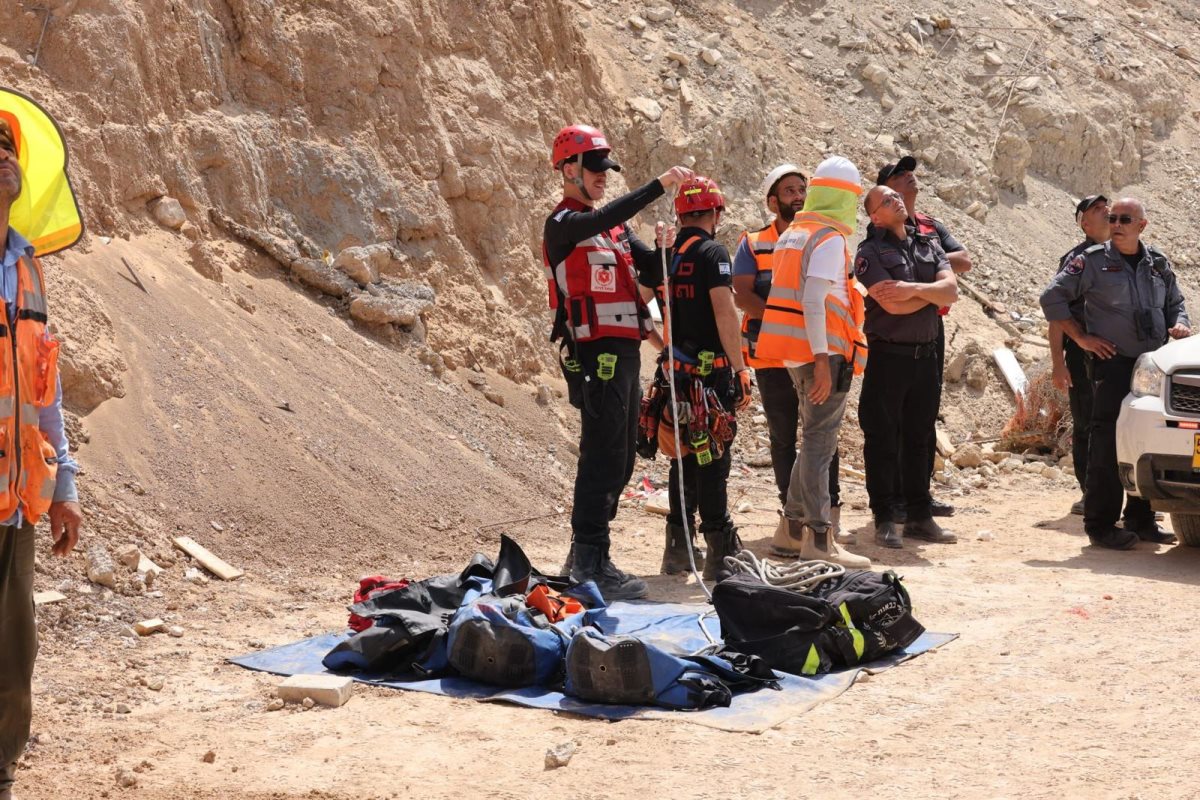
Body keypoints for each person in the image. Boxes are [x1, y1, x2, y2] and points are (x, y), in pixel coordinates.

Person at [541, 123, 693, 599]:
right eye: (595, 168)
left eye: (608, 169)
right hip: (595, 354)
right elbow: (602, 217)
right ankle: (590, 558)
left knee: (624, 457)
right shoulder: (563, 223)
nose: (604, 176)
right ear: (569, 170)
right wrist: (658, 187)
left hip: (626, 350)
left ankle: (587, 555)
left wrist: (668, 247)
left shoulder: (616, 230)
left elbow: (650, 268)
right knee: (602, 456)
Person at [0, 117, 83, 800]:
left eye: (7, 150)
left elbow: (45, 386)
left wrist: (66, 487)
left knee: (12, 652)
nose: (2, 160)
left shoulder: (27, 265)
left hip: (18, 496)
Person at [1040, 197, 1190, 550]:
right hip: (1115, 364)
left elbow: (1176, 303)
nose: (1117, 224)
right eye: (1112, 218)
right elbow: (1052, 298)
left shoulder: (1157, 262)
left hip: (1152, 367)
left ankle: (1141, 519)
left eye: (1125, 218)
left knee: (1144, 440)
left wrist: (1179, 325)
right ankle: (1101, 524)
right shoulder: (1091, 262)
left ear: (1142, 225)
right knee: (1106, 444)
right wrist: (1081, 338)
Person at [754, 156, 870, 568]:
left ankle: (789, 532)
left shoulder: (794, 234)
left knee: (811, 439)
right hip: (824, 353)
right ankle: (820, 539)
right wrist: (823, 360)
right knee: (821, 443)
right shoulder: (829, 238)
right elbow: (813, 301)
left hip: (793, 351)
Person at [640, 176, 753, 580]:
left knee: (683, 459)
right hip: (710, 378)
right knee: (714, 456)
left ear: (680, 214)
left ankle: (678, 547)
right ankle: (720, 549)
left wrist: (661, 346)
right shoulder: (712, 253)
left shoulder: (664, 254)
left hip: (674, 375)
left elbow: (639, 308)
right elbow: (724, 312)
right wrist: (741, 367)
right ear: (716, 213)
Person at [732, 165, 847, 544]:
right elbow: (743, 295)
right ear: (772, 201)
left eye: (802, 189)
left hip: (803, 347)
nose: (797, 195)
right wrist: (788, 316)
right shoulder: (754, 243)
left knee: (820, 439)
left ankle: (824, 515)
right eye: (789, 190)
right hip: (775, 353)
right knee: (789, 438)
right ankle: (796, 520)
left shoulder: (806, 236)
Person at [855, 185, 959, 549]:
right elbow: (893, 306)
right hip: (889, 357)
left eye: (895, 197)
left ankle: (919, 515)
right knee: (882, 438)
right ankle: (884, 516)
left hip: (925, 356)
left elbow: (951, 291)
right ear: (875, 216)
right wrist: (928, 294)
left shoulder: (928, 244)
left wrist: (911, 289)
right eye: (886, 200)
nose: (896, 200)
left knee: (920, 437)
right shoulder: (869, 253)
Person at [877, 156, 972, 520]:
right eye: (900, 175)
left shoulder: (931, 225)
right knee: (895, 415)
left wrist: (923, 270)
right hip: (896, 328)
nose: (909, 178)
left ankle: (920, 494)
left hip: (931, 324)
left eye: (910, 172)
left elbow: (963, 261)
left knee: (924, 412)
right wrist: (935, 275)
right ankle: (896, 495)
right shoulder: (883, 228)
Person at [1049, 195, 1110, 516]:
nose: (1107, 211)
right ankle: (1090, 493)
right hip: (1084, 355)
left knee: (1124, 422)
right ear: (1084, 223)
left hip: (1123, 353)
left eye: (1107, 206)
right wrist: (1059, 364)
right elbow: (1056, 310)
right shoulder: (1076, 260)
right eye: (1097, 209)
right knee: (1087, 424)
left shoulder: (1129, 254)